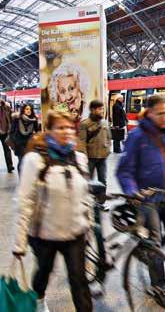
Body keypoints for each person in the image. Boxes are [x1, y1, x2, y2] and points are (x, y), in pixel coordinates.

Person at [116, 95, 165, 308]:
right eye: (160, 113)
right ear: (150, 113)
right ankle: (158, 286)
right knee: (155, 242)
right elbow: (124, 171)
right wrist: (133, 193)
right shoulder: (137, 136)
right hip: (145, 199)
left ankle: (146, 251)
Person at [12, 110, 93, 312]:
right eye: (60, 127)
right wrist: (20, 243)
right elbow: (25, 201)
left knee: (79, 281)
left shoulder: (80, 159)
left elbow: (86, 196)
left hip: (75, 232)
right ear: (48, 130)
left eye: (69, 127)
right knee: (43, 273)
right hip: (44, 234)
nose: (66, 131)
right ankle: (39, 298)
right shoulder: (34, 160)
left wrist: (88, 228)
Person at [79, 99, 111, 208]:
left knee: (103, 181)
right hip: (90, 157)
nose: (102, 111)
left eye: (102, 108)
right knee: (88, 181)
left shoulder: (104, 122)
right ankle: (87, 202)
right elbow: (81, 142)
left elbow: (108, 137)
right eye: (99, 109)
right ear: (92, 110)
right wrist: (84, 157)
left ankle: (101, 202)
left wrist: (108, 150)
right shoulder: (85, 124)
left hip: (102, 157)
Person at [9, 104, 39, 173]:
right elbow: (11, 132)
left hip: (29, 144)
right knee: (21, 161)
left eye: (30, 109)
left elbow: (37, 131)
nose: (29, 111)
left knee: (29, 162)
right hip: (19, 144)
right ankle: (21, 179)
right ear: (23, 110)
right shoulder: (17, 119)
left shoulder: (34, 119)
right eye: (27, 109)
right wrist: (15, 140)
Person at [0, 100, 14, 172]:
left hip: (5, 131)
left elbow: (11, 118)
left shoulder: (6, 107)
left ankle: (10, 166)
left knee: (7, 149)